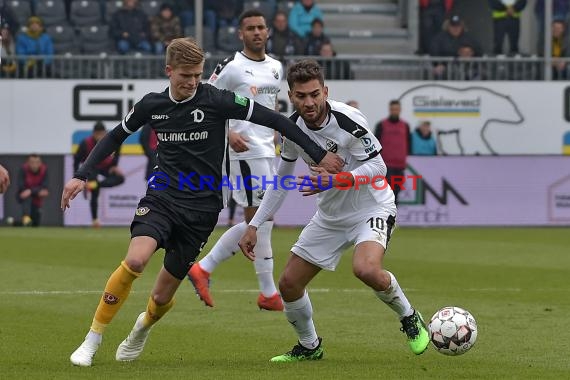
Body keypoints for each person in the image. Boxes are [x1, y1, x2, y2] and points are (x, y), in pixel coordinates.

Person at [62, 37, 343, 367]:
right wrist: (82, 174)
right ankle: (92, 340)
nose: (193, 82)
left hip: (203, 209)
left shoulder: (218, 100)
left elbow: (276, 120)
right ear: (169, 71)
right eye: (186, 75)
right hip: (163, 197)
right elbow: (114, 137)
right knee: (136, 261)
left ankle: (142, 327)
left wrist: (319, 153)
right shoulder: (152, 105)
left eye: (197, 75)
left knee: (161, 297)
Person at [238, 59, 430, 362]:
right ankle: (310, 347)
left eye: (315, 94)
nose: (309, 102)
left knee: (365, 269)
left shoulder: (348, 119)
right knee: (289, 284)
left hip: (372, 206)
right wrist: (255, 224)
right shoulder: (291, 130)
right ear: (291, 96)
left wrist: (339, 179)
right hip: (330, 217)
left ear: (325, 91)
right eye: (301, 96)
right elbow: (281, 180)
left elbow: (379, 166)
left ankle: (409, 317)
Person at [186, 9, 286, 311]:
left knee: (263, 219)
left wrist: (276, 137)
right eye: (250, 28)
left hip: (268, 151)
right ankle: (265, 292)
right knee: (259, 219)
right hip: (243, 151)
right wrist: (227, 133)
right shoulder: (231, 66)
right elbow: (205, 100)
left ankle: (207, 269)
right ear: (240, 34)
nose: (256, 32)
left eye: (260, 27)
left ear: (268, 31)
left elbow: (270, 107)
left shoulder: (277, 68)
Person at [74, 121, 125, 228]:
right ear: (93, 133)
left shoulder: (112, 141)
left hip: (106, 167)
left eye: (102, 133)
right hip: (92, 167)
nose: (100, 136)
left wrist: (114, 166)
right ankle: (95, 220)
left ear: (105, 133)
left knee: (120, 178)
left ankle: (97, 184)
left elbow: (116, 156)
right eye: (97, 134)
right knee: (94, 192)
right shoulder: (85, 143)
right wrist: (77, 177)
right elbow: (77, 160)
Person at [374, 100, 411, 205]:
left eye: (397, 109)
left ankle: (393, 218)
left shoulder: (405, 126)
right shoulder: (381, 125)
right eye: (393, 109)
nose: (395, 111)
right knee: (387, 192)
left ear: (400, 110)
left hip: (400, 166)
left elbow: (408, 143)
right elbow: (376, 144)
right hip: (386, 166)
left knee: (397, 192)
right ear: (390, 110)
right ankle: (385, 217)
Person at [429, 15, 482, 79]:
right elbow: (434, 51)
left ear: (462, 27)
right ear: (448, 27)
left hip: (466, 68)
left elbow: (479, 51)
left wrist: (470, 53)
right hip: (446, 68)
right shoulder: (440, 38)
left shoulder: (469, 38)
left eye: (458, 26)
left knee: (478, 74)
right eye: (453, 26)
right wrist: (438, 64)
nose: (455, 28)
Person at [17, 154, 49, 226]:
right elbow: (21, 186)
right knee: (25, 196)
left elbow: (45, 187)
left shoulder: (44, 170)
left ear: (40, 163)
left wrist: (31, 191)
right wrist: (35, 191)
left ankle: (19, 222)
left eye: (37, 162)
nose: (34, 165)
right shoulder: (23, 169)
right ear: (28, 163)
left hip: (37, 199)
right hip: (24, 198)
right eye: (32, 162)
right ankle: (25, 217)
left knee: (36, 223)